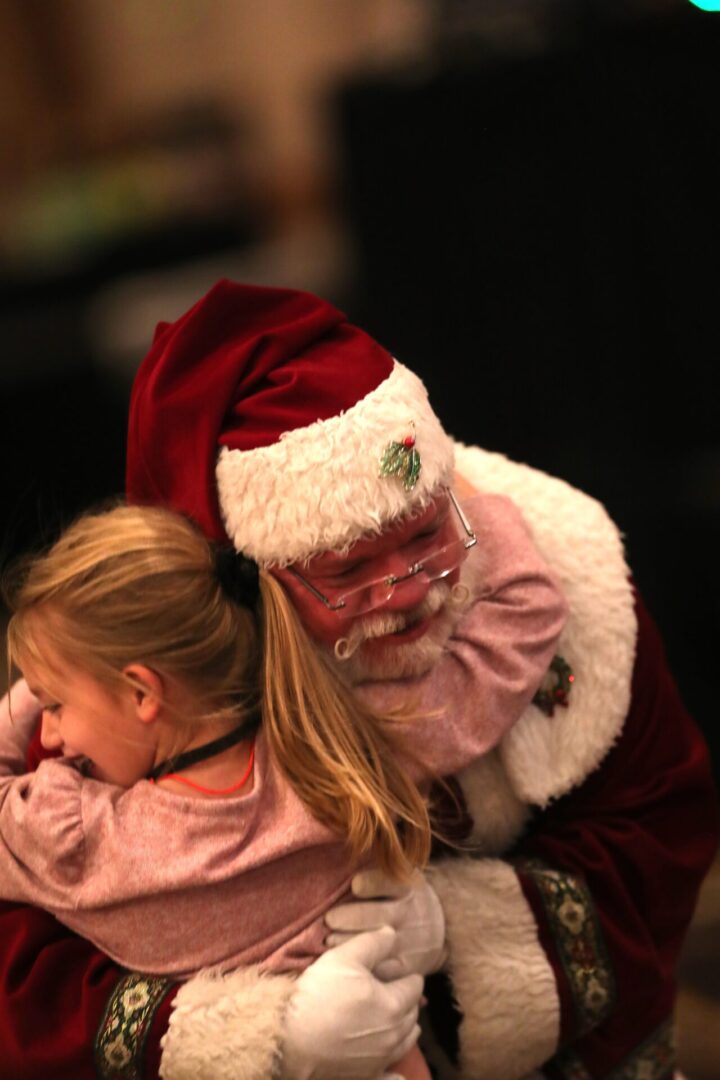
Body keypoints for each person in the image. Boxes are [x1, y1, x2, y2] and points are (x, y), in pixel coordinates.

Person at [0, 281, 717, 1079]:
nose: (411, 590)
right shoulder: (123, 722)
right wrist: (262, 1036)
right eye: (349, 569)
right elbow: (24, 976)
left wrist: (461, 929)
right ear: (248, 583)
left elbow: (662, 823)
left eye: (426, 532)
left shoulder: (573, 580)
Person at [1, 485, 566, 1079]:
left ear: (143, 693)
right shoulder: (343, 755)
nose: (54, 738)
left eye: (55, 705)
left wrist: (21, 700)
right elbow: (528, 608)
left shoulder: (75, 835)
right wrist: (454, 492)